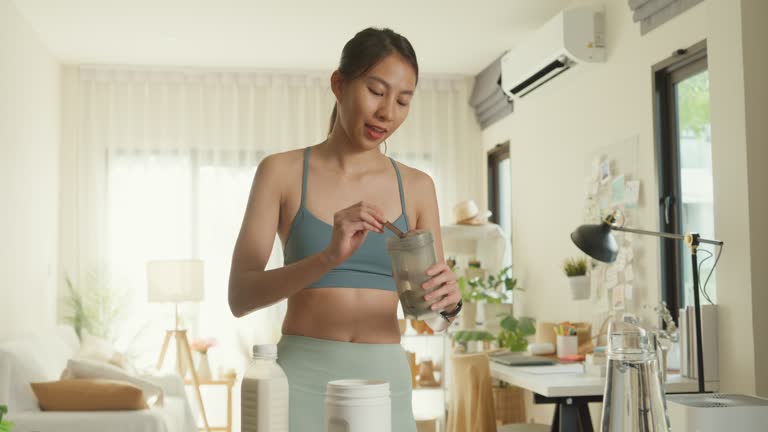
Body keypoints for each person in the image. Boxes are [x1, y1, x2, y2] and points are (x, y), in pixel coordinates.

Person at [228, 27, 462, 432]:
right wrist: (328, 258)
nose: (388, 112)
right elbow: (240, 296)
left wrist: (450, 302)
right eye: (376, 91)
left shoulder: (418, 187)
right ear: (339, 84)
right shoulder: (281, 173)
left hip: (385, 378)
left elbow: (432, 317)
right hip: (302, 376)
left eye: (403, 100)